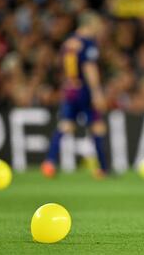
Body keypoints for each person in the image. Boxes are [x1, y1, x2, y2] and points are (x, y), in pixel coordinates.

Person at [41, 11, 108, 179]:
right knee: (97, 126)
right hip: (84, 90)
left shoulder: (69, 42)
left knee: (66, 126)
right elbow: (89, 68)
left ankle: (49, 162)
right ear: (90, 24)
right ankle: (102, 169)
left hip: (70, 88)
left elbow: (62, 65)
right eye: (97, 25)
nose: (99, 29)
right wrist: (97, 92)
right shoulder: (87, 43)